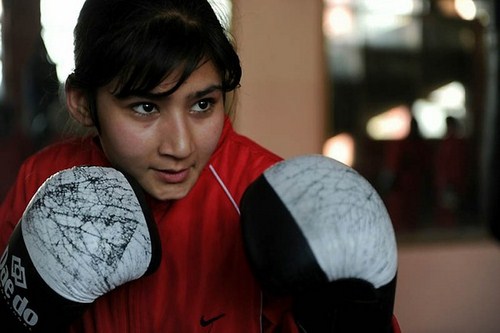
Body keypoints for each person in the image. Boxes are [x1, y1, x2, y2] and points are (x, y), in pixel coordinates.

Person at [0, 0, 298, 331]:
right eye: (146, 107)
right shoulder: (43, 181)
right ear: (82, 102)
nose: (181, 146)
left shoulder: (267, 195)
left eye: (203, 104)